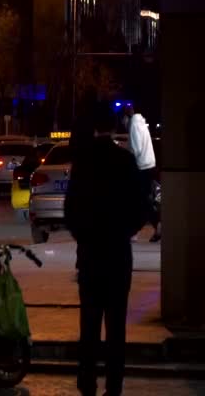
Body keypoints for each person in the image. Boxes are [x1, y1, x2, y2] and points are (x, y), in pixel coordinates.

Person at [65, 104, 147, 396]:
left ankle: (86, 382)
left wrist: (85, 236)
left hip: (90, 255)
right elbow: (142, 208)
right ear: (115, 129)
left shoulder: (82, 163)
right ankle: (114, 385)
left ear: (93, 128)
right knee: (116, 327)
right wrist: (124, 231)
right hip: (118, 256)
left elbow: (70, 211)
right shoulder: (126, 162)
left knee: (89, 324)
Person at [124, 104, 159, 242]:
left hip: (141, 167)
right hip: (149, 165)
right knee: (144, 200)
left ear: (127, 116)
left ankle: (136, 230)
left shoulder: (133, 125)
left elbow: (136, 149)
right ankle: (154, 225)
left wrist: (127, 156)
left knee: (140, 200)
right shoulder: (142, 124)